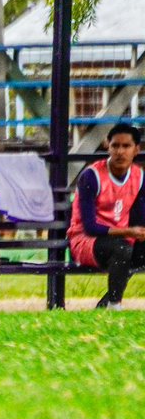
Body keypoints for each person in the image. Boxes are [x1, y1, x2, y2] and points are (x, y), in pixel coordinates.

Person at [67, 122, 145, 310]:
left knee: (128, 249)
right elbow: (89, 227)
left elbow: (140, 217)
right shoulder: (91, 176)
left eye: (126, 146)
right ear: (107, 146)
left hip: (123, 239)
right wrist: (129, 231)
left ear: (136, 150)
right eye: (115, 145)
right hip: (86, 241)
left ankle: (105, 303)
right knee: (122, 249)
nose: (120, 152)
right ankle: (114, 305)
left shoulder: (139, 176)